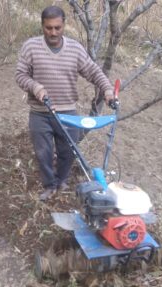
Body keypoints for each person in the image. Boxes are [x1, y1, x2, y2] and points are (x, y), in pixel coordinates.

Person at [15, 5, 114, 201]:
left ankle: (61, 180)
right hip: (40, 112)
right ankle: (50, 185)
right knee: (43, 153)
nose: (53, 32)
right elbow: (20, 75)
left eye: (57, 28)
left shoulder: (75, 49)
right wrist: (36, 87)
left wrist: (107, 89)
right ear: (42, 26)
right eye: (48, 28)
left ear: (64, 26)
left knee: (68, 152)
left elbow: (93, 71)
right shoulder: (31, 47)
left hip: (67, 111)